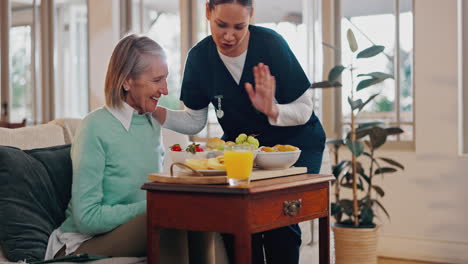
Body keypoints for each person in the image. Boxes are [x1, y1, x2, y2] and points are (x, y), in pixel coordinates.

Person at [151, 0, 326, 263]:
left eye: (239, 26)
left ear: (251, 16)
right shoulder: (199, 58)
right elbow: (194, 121)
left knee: (278, 220)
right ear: (208, 12)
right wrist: (152, 111)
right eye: (220, 25)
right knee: (236, 218)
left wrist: (273, 110)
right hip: (243, 147)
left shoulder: (271, 44)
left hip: (295, 142)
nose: (229, 36)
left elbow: (304, 109)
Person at [44, 35, 209, 263]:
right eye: (157, 80)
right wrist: (153, 204)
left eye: (166, 79)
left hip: (134, 226)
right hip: (83, 241)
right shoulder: (95, 127)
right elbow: (86, 217)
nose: (165, 89)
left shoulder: (150, 123)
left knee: (207, 217)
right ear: (126, 81)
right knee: (169, 216)